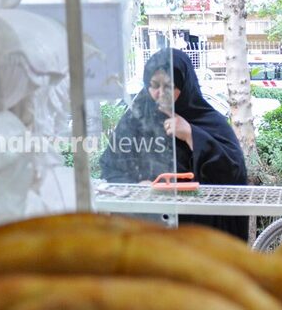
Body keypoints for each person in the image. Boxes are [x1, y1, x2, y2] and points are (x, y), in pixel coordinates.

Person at [100, 48, 249, 240]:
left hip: (197, 233)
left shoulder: (208, 120)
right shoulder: (135, 119)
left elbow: (233, 171)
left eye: (169, 86)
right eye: (154, 85)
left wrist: (191, 134)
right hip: (146, 227)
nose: (160, 94)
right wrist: (137, 185)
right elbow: (111, 167)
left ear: (185, 86)